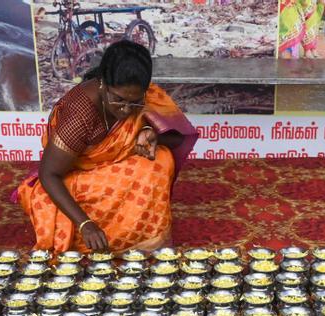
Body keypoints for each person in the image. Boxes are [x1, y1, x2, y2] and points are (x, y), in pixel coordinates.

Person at [17, 41, 198, 254]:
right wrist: (86, 224)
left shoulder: (140, 93)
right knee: (121, 181)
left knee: (161, 159)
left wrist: (152, 134)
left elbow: (177, 139)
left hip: (110, 168)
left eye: (135, 102)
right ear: (102, 83)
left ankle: (140, 239)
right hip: (72, 181)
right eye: (119, 99)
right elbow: (48, 174)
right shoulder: (80, 114)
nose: (126, 109)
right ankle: (91, 238)